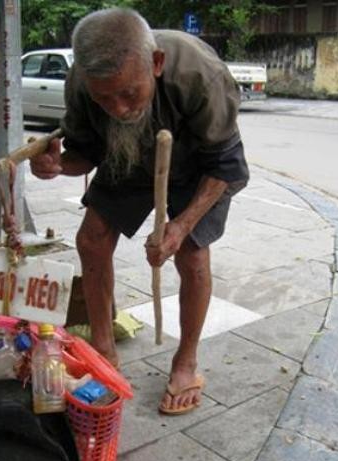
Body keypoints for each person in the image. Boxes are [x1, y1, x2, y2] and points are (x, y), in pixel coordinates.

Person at [30, 7, 249, 415]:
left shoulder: (198, 73)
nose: (118, 108)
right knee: (90, 238)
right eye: (104, 98)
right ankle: (103, 350)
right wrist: (57, 164)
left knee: (192, 253)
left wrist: (180, 226)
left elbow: (224, 165)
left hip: (198, 166)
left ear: (157, 64)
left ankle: (185, 362)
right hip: (127, 156)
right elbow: (86, 152)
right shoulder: (83, 82)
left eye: (130, 92)